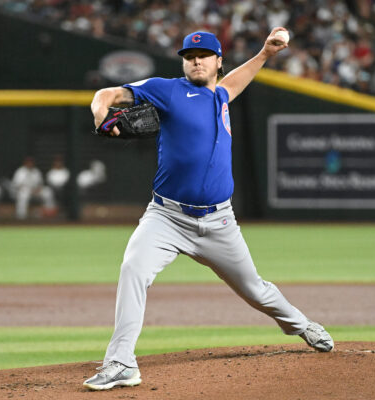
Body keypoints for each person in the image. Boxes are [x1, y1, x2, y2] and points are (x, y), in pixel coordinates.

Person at [83, 28, 334, 391]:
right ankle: (121, 362)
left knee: (255, 290)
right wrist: (100, 114)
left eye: (202, 55)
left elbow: (236, 80)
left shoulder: (220, 95)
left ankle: (302, 325)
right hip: (166, 218)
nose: (195, 60)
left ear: (218, 61)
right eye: (188, 55)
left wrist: (265, 53)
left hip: (219, 222)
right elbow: (106, 94)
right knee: (133, 269)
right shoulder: (166, 89)